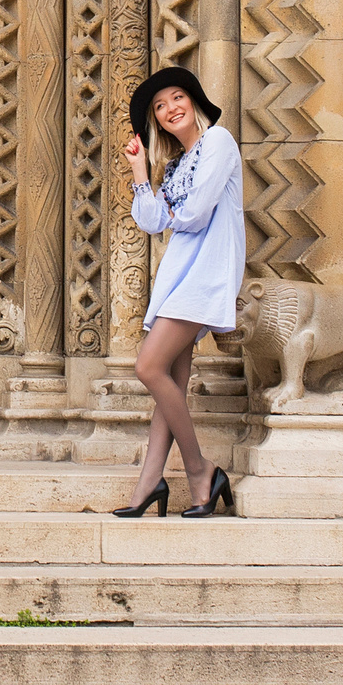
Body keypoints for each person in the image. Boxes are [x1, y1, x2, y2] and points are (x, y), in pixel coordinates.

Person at [113, 66, 242, 519]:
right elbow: (152, 220)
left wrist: (174, 210)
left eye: (176, 97)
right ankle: (149, 486)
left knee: (149, 366)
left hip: (204, 273)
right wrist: (139, 172)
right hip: (178, 276)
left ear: (194, 99)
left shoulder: (219, 143)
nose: (170, 109)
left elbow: (194, 214)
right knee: (172, 380)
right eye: (160, 106)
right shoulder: (179, 165)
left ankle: (200, 470)